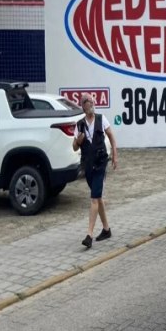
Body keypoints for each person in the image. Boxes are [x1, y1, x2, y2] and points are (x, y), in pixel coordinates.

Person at [74, 93, 118, 249]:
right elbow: (74, 147)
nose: (91, 103)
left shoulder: (101, 119)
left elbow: (112, 136)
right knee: (98, 198)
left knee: (93, 198)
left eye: (92, 101)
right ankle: (106, 229)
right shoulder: (79, 125)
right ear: (83, 106)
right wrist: (78, 141)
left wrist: (114, 154)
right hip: (88, 166)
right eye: (88, 101)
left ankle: (89, 235)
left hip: (100, 164)